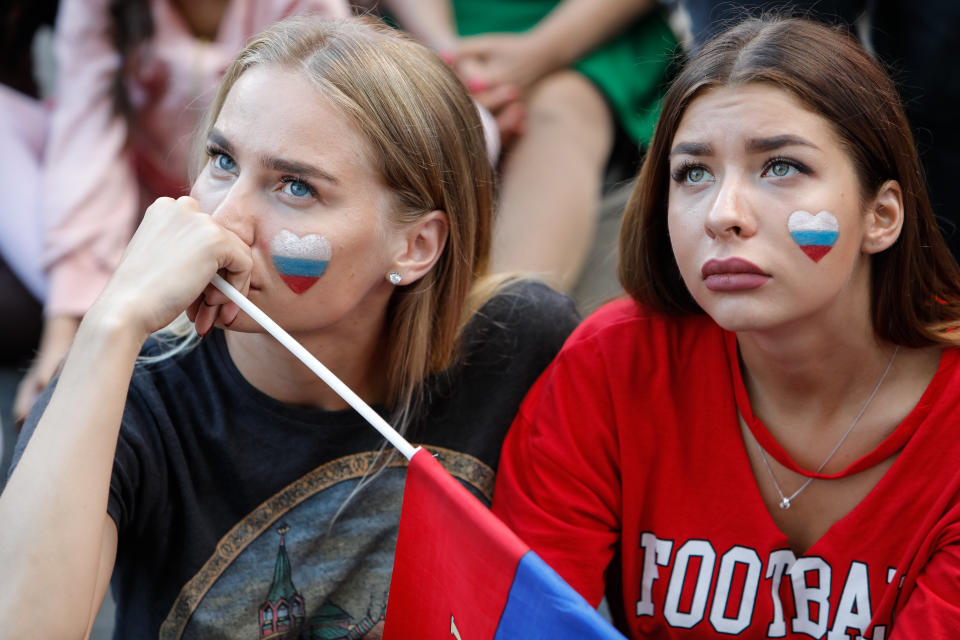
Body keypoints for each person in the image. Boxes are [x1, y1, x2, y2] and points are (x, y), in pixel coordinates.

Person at [0, 16, 579, 638]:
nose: (225, 220)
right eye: (222, 160)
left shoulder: (519, 343)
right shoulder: (127, 390)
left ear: (415, 245)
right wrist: (109, 325)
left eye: (296, 187)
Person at [492, 16, 960, 638]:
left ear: (882, 215)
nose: (723, 214)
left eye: (781, 167)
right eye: (693, 173)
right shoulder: (613, 363)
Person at [11, 0, 350, 425]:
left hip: (217, 227)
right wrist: (66, 336)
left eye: (296, 185)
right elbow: (86, 142)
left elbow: (334, 149)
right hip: (121, 212)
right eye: (221, 159)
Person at [378, 0, 677, 292]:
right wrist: (446, 57)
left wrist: (539, 52)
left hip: (590, 34)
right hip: (430, 34)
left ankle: (506, 316)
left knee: (561, 110)